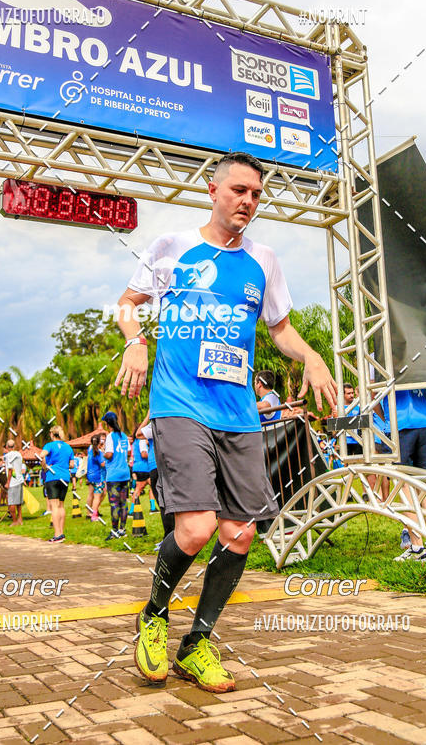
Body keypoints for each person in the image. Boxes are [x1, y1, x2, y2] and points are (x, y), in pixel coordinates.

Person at [114, 151, 336, 692]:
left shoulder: (264, 259)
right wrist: (136, 340)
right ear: (212, 190)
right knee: (196, 529)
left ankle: (197, 645)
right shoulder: (172, 248)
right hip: (179, 404)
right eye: (239, 190)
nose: (248, 202)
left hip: (238, 414)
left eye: (257, 194)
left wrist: (309, 356)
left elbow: (281, 329)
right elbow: (126, 303)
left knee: (240, 533)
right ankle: (154, 614)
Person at [376, 388, 426, 561]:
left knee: (403, 482)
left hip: (398, 421)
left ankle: (417, 545)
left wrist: (386, 418)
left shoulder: (379, 359)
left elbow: (370, 393)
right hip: (423, 421)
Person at [136, 417, 175, 549]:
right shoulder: (172, 423)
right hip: (169, 464)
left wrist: (147, 416)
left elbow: (138, 434)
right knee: (169, 503)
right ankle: (171, 537)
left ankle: (169, 539)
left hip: (156, 466)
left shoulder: (157, 423)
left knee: (164, 504)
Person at [41, 425, 74, 542]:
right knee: (61, 505)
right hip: (65, 477)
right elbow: (72, 465)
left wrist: (45, 467)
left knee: (54, 506)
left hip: (53, 476)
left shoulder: (49, 445)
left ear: (51, 434)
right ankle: (61, 533)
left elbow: (41, 456)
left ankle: (57, 534)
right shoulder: (68, 447)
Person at [101, 411, 131, 540]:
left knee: (114, 504)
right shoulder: (123, 435)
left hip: (113, 474)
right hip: (125, 473)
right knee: (123, 503)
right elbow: (129, 451)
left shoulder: (110, 436)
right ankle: (122, 530)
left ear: (108, 424)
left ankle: (114, 531)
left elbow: (109, 454)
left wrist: (103, 451)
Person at [129, 424, 151, 516]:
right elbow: (143, 454)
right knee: (139, 489)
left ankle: (153, 508)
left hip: (137, 466)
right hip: (144, 467)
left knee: (153, 487)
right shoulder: (141, 441)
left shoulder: (134, 442)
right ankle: (131, 510)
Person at [3, 438, 25, 526]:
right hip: (19, 480)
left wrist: (8, 482)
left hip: (13, 482)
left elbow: (10, 470)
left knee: (11, 502)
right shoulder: (19, 454)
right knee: (19, 502)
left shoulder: (8, 456)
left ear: (7, 447)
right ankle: (20, 520)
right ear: (14, 446)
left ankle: (15, 521)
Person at [86, 433, 106, 521]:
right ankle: (94, 515)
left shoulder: (90, 450)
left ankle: (89, 513)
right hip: (98, 476)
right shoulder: (99, 452)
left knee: (91, 495)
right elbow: (102, 464)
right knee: (97, 496)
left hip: (90, 476)